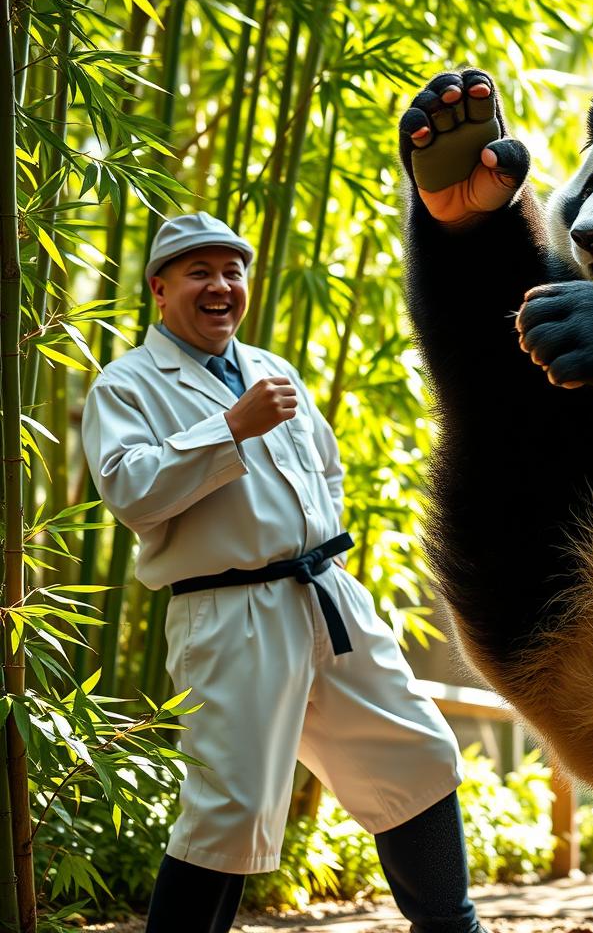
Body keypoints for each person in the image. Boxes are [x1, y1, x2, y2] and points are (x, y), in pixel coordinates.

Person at [82, 212, 483, 933]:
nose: (221, 286)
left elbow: (323, 469)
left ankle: (454, 929)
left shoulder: (272, 366)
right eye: (199, 272)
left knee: (416, 755)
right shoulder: (126, 385)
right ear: (159, 288)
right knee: (228, 812)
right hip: (229, 615)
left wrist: (317, 546)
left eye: (232, 271)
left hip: (326, 595)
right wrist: (229, 428)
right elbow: (130, 491)